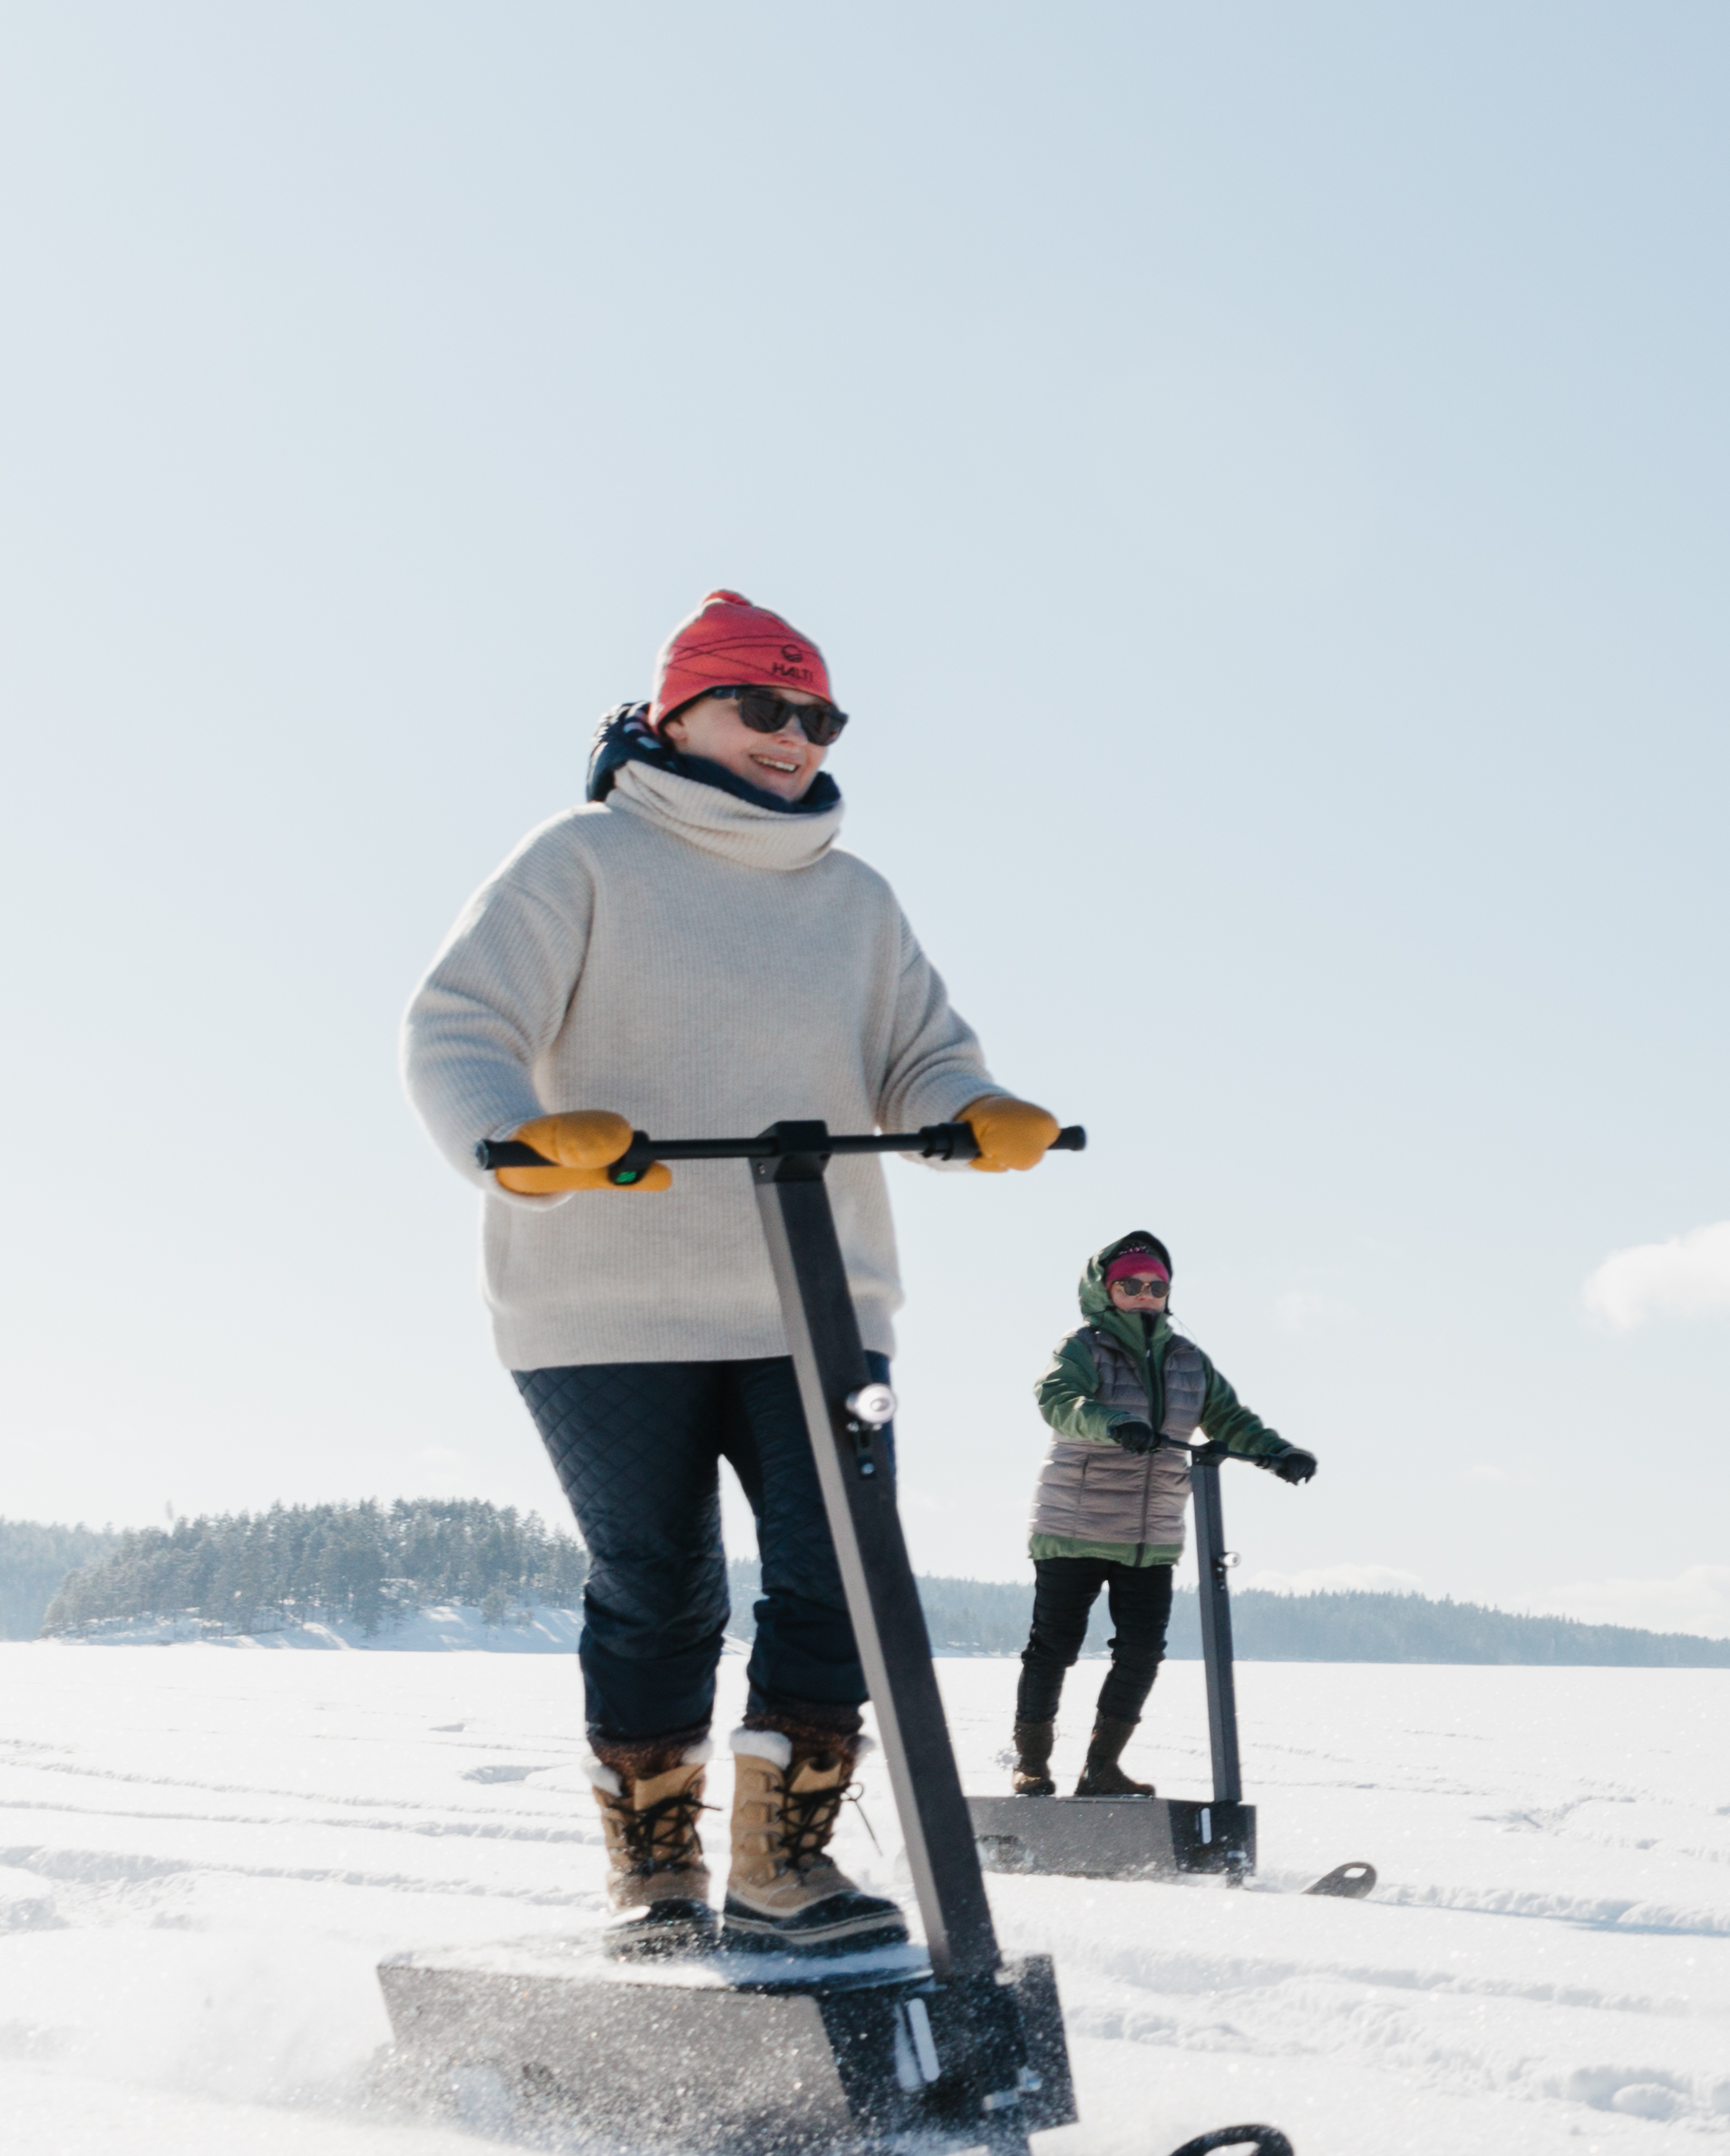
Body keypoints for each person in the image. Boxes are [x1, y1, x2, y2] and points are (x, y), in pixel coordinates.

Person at [402, 591, 1062, 1954]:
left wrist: (972, 1106)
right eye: (765, 706)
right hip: (599, 1305)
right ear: (681, 710)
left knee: (843, 1571)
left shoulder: (854, 899)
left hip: (816, 1298)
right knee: (658, 1585)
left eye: (819, 717)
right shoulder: (583, 859)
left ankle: (781, 1871)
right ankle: (656, 1876)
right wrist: (517, 1142)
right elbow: (460, 1023)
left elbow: (921, 1055)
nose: (794, 736)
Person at [1011, 1231, 1314, 1799]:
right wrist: (1112, 1422)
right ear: (1105, 1290)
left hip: (1152, 1535)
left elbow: (1229, 1419)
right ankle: (1031, 1764)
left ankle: (1101, 1769)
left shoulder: (1188, 1360)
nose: (1145, 1295)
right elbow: (1059, 1400)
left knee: (1143, 1652)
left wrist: (1277, 1452)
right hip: (1075, 1524)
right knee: (1055, 1645)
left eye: (1156, 1286)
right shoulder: (1083, 1347)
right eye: (1131, 1285)